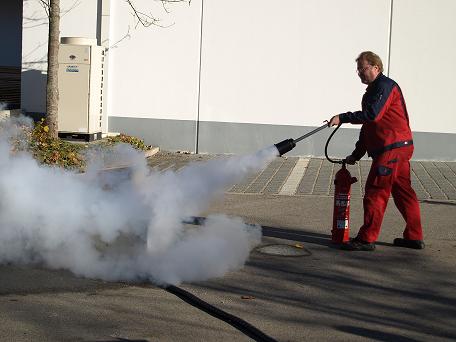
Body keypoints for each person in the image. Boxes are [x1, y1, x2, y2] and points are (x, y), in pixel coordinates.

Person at [328, 51, 424, 251]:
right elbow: (369, 126)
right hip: (397, 147)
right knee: (403, 193)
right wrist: (357, 154)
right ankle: (414, 237)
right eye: (358, 70)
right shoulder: (373, 91)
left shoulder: (385, 86)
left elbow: (372, 116)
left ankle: (367, 238)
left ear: (376, 67)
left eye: (362, 68)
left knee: (375, 192)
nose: (359, 73)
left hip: (392, 148)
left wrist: (343, 117)